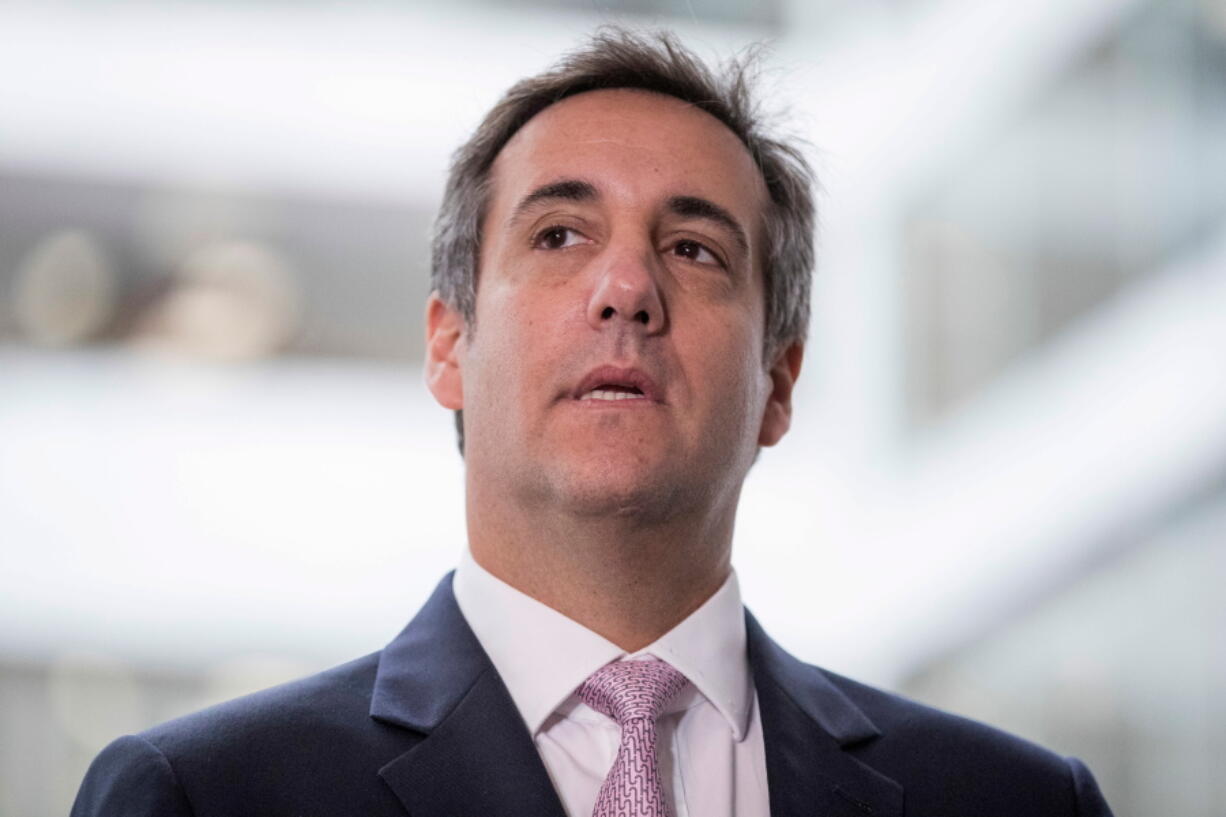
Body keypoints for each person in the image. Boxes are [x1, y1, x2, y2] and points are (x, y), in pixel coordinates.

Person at [71, 28, 1114, 817]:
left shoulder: (1015, 802)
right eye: (560, 233)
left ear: (779, 380)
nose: (626, 288)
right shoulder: (204, 797)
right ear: (448, 345)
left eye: (695, 249)